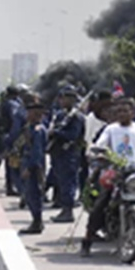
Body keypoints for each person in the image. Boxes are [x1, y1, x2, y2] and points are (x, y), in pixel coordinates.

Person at [82, 97, 135, 257]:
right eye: (119, 111)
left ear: (133, 113)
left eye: (125, 111)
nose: (122, 114)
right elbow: (100, 144)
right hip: (115, 171)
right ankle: (87, 240)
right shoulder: (111, 129)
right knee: (101, 203)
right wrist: (96, 151)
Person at [48, 86, 85, 223]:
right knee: (61, 182)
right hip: (58, 153)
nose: (62, 101)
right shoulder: (61, 115)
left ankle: (67, 211)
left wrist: (56, 133)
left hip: (69, 154)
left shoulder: (76, 117)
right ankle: (63, 208)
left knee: (68, 183)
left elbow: (73, 135)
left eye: (65, 98)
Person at [18, 102, 47, 235]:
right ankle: (36, 221)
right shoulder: (29, 128)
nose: (27, 115)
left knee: (33, 194)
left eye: (30, 112)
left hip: (34, 165)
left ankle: (37, 221)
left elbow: (37, 152)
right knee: (30, 194)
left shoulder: (38, 130)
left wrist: (29, 168)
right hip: (27, 161)